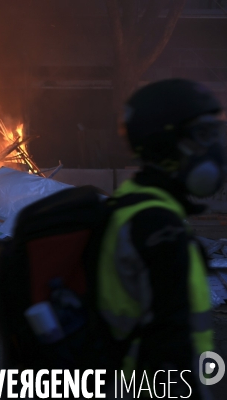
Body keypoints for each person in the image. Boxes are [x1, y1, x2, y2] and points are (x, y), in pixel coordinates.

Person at [98, 79, 222, 398]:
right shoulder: (157, 227)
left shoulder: (131, 204)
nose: (214, 149)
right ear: (167, 142)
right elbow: (172, 347)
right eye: (202, 135)